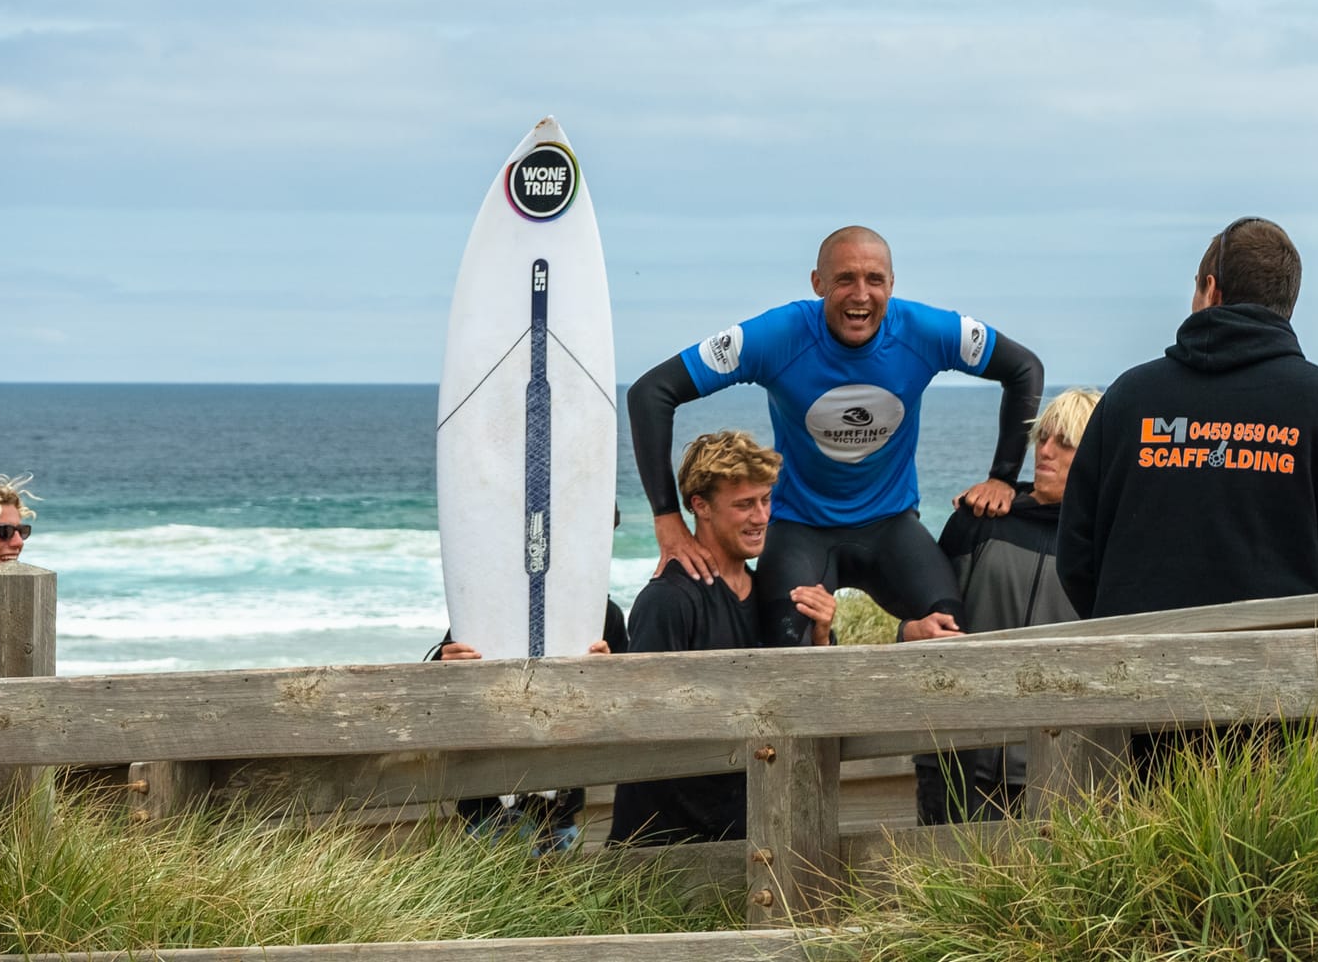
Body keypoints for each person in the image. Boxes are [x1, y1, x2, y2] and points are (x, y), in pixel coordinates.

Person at [628, 225, 1044, 648]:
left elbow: (1024, 368)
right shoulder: (776, 337)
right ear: (818, 283)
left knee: (948, 632)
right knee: (792, 647)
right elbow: (651, 393)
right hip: (799, 527)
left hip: (890, 523)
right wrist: (667, 519)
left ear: (892, 284)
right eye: (845, 279)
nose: (861, 294)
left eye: (874, 279)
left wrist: (1003, 478)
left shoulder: (927, 331)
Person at [1058, 218, 1318, 624]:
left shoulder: (1128, 398)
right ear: (1287, 303)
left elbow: (1076, 554)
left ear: (1211, 290)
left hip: (1136, 668)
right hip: (1286, 674)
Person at [607, 431, 837, 846]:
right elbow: (642, 724)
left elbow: (804, 708)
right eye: (744, 504)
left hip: (748, 840)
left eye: (766, 500)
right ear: (700, 506)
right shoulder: (668, 600)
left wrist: (820, 640)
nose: (761, 517)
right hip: (665, 854)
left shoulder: (773, 597)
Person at [913, 386, 1103, 825]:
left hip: (1060, 766)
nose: (1046, 452)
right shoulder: (979, 522)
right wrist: (908, 631)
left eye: (1065, 443)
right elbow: (922, 615)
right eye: (1043, 438)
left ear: (1097, 455)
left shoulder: (1107, 546)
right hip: (957, 759)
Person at [427, 602, 626, 855]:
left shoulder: (600, 610)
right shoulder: (483, 606)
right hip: (489, 808)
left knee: (558, 890)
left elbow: (618, 710)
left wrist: (606, 673)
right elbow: (436, 705)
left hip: (561, 809)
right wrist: (446, 668)